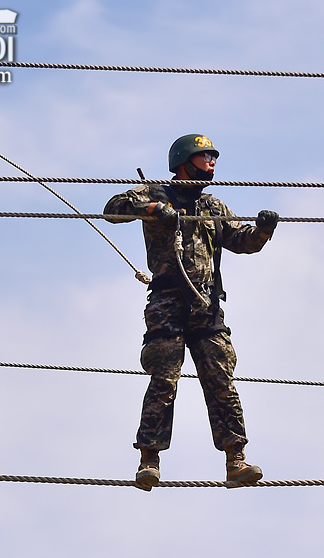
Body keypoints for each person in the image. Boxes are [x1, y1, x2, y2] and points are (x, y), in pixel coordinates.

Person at [104, 134, 277, 489]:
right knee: (164, 380)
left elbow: (242, 241)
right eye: (204, 157)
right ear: (185, 162)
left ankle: (236, 460)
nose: (212, 162)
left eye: (213, 157)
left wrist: (263, 230)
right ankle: (148, 459)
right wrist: (152, 210)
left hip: (205, 304)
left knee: (221, 380)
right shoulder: (154, 193)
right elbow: (112, 209)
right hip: (168, 303)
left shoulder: (212, 207)